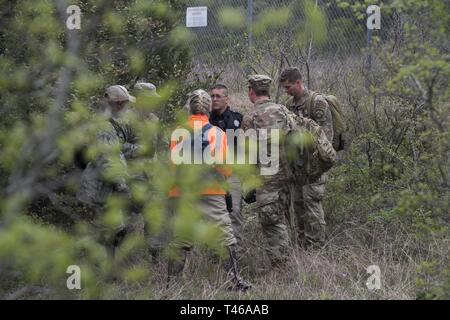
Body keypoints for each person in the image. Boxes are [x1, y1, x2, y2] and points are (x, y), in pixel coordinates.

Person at [167, 89, 250, 291]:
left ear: (190, 108)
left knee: (181, 238)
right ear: (207, 108)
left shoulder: (178, 133)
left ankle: (172, 286)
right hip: (212, 192)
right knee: (225, 236)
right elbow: (226, 169)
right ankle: (235, 281)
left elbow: (172, 167)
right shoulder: (216, 133)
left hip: (184, 193)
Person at [76, 85, 137, 257]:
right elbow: (107, 159)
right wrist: (121, 185)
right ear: (117, 105)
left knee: (112, 232)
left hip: (103, 190)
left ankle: (106, 274)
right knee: (105, 234)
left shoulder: (106, 123)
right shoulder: (104, 127)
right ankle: (96, 274)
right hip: (99, 191)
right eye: (125, 104)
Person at [241, 75, 292, 267]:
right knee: (285, 216)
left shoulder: (251, 117)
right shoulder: (283, 111)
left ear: (251, 91)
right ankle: (291, 258)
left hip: (266, 178)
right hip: (286, 175)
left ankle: (282, 267)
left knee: (272, 222)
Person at [279, 67, 333, 248]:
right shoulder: (288, 106)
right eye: (284, 88)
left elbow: (326, 138)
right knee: (299, 207)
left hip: (315, 167)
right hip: (298, 167)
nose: (286, 91)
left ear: (298, 83)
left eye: (288, 87)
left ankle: (317, 248)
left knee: (313, 207)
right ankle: (303, 248)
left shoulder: (316, 103)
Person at [208, 84, 245, 252]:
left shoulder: (238, 120)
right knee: (212, 216)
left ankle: (234, 255)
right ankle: (216, 255)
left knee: (234, 213)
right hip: (211, 175)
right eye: (212, 96)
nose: (214, 99)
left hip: (232, 175)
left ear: (226, 98)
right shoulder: (206, 121)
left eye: (218, 96)